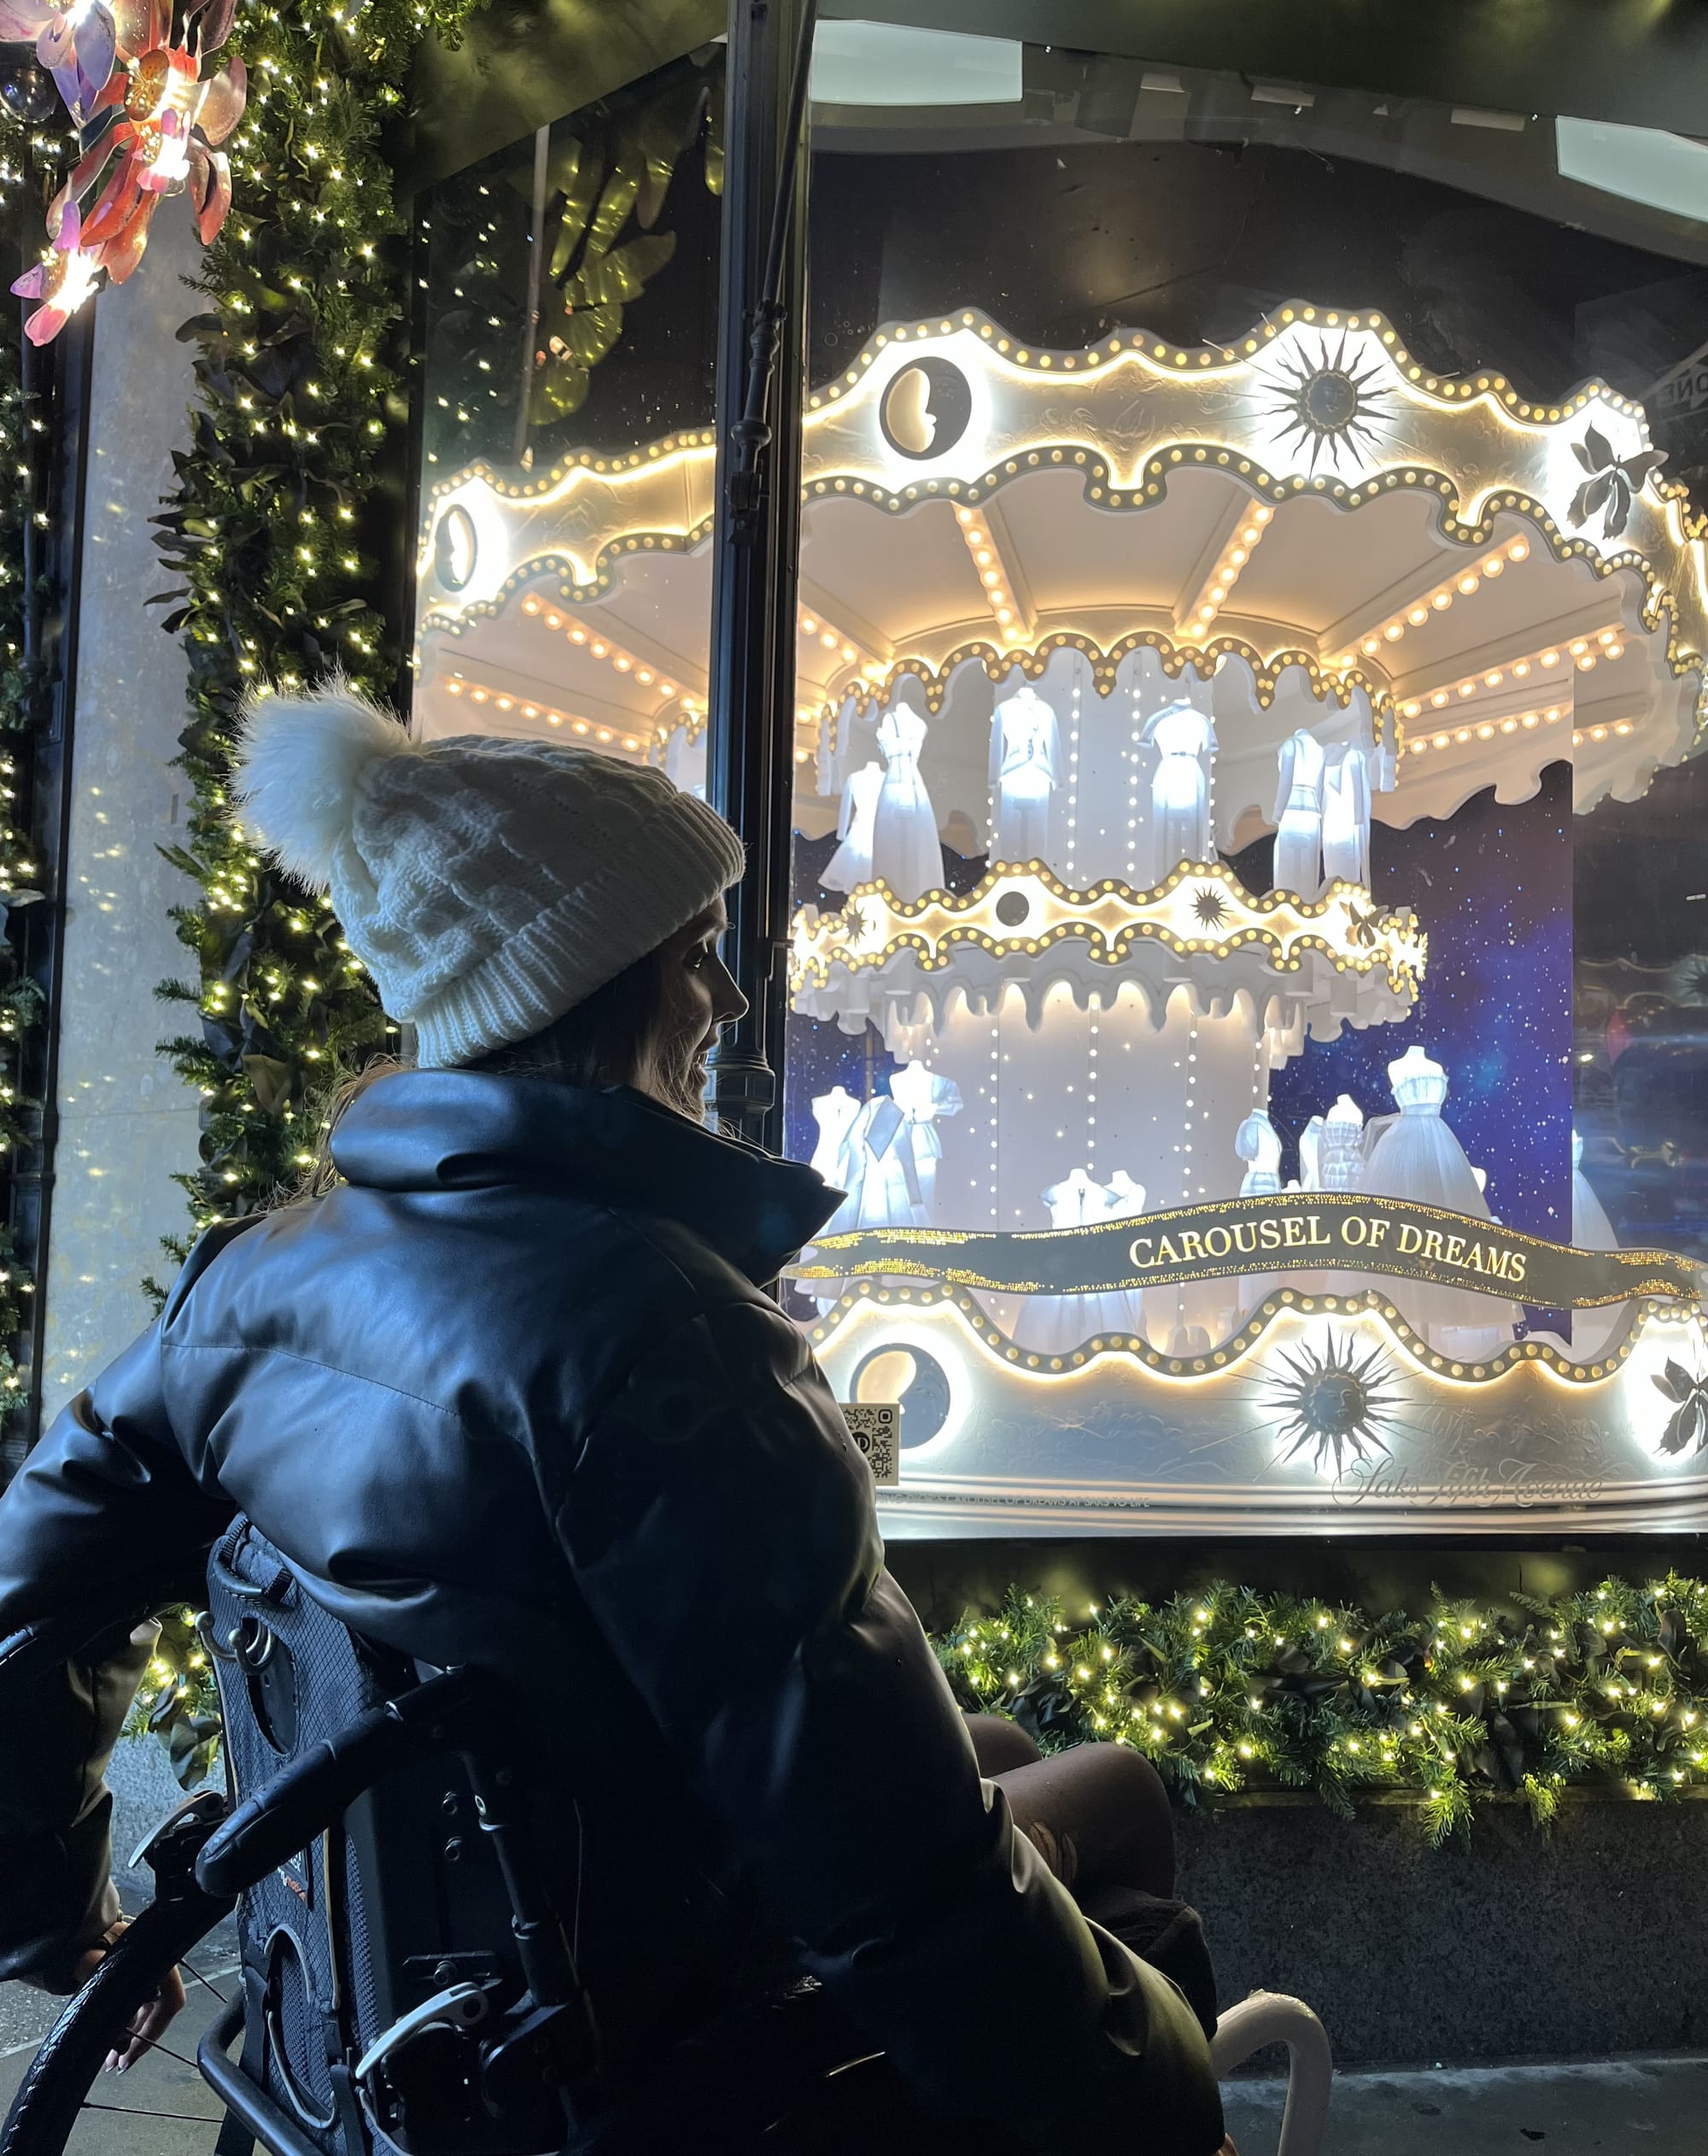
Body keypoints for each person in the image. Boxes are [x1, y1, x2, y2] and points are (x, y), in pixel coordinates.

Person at [0, 685, 1225, 2154]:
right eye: (696, 958)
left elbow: (28, 1597)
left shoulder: (255, 1275)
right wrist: (1157, 2106)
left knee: (1004, 1738)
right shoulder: (672, 1333)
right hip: (639, 2038)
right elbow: (897, 1888)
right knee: (1115, 1793)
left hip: (401, 2014)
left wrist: (49, 1914)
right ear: (586, 987)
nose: (722, 1001)